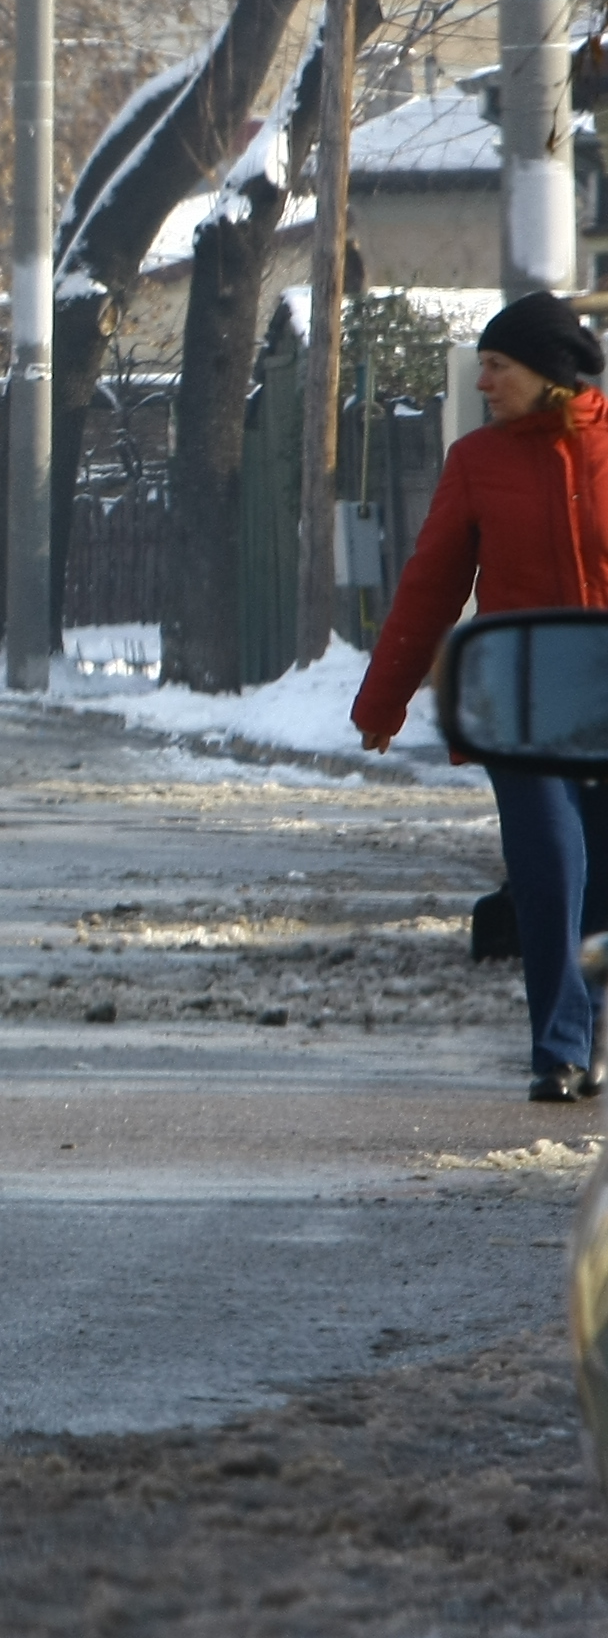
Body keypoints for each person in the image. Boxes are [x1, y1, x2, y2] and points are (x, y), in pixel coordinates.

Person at [354, 291, 608, 1103]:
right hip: (523, 710)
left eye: (497, 367)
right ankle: (560, 1049)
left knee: (603, 877)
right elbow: (430, 586)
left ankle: (596, 1032)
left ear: (545, 373)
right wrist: (383, 701)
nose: (484, 382)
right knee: (551, 867)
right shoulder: (477, 463)